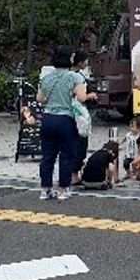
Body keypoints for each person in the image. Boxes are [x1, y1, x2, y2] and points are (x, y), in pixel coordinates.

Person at [37, 46, 97, 201]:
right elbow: (81, 98)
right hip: (66, 119)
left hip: (47, 118)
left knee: (47, 156)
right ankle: (63, 189)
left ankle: (45, 189)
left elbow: (40, 99)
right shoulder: (74, 77)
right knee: (66, 155)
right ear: (69, 58)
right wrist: (91, 95)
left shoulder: (46, 77)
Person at [70, 50, 92, 186]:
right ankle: (74, 175)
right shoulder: (78, 77)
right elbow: (81, 97)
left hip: (67, 112)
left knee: (70, 144)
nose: (87, 63)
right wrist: (92, 95)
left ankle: (69, 173)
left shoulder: (65, 74)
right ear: (80, 62)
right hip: (78, 114)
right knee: (80, 143)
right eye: (86, 60)